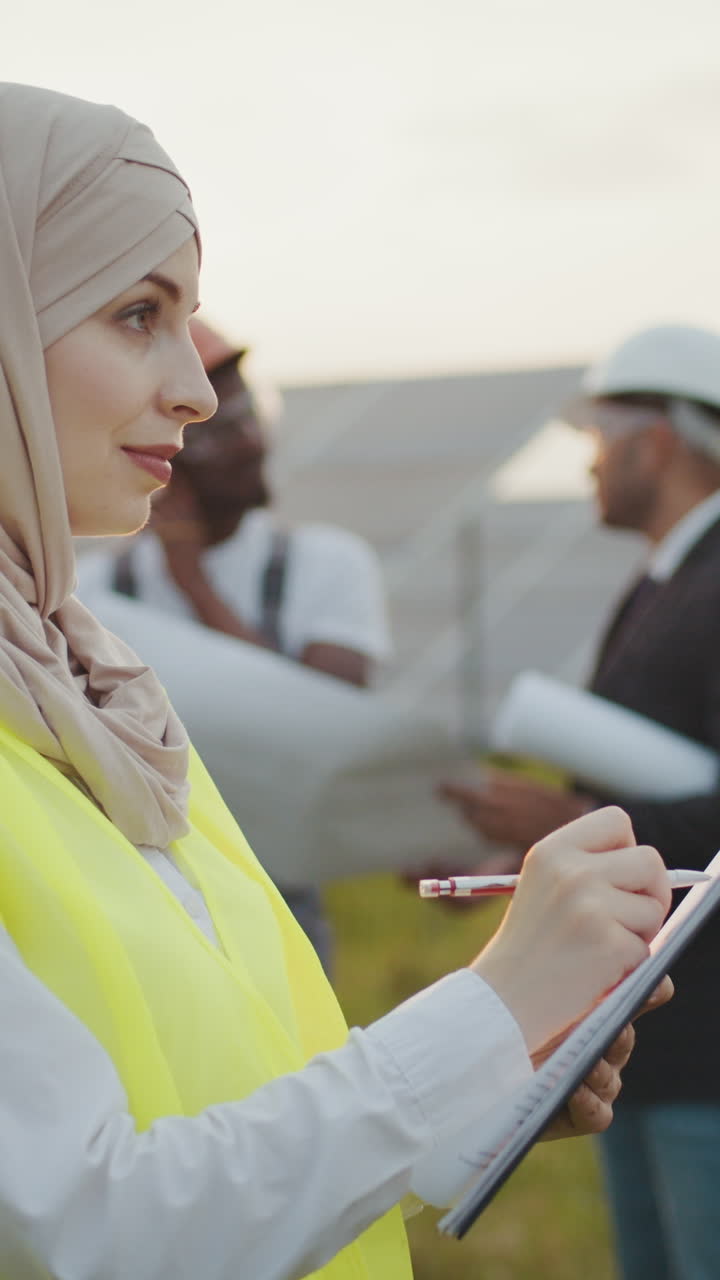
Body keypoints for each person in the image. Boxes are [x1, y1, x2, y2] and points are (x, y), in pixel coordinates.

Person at [0, 82, 674, 1280]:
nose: (199, 392)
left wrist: (492, 1073)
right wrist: (480, 1014)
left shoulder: (99, 689)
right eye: (135, 312)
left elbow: (228, 1111)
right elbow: (96, 1231)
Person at [441, 323, 720, 1280]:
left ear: (655, 441)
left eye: (600, 440)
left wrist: (565, 828)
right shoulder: (669, 580)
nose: (592, 467)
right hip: (656, 1035)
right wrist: (524, 851)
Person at [78, 317, 391, 973]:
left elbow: (325, 727)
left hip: (284, 900)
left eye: (250, 415)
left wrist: (195, 586)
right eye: (219, 431)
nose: (251, 442)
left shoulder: (325, 564)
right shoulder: (95, 590)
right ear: (163, 453)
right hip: (144, 904)